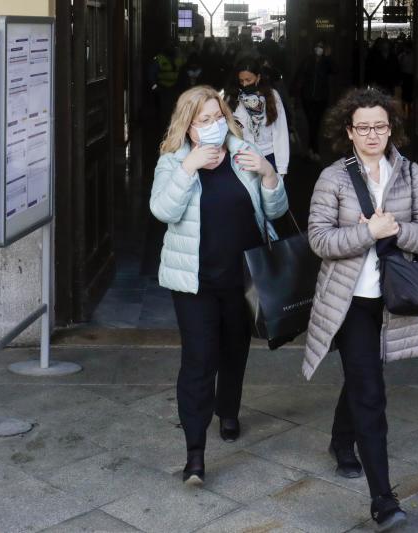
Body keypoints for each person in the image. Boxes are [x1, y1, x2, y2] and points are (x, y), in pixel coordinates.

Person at [303, 88, 418, 530]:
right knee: (370, 391)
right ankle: (383, 499)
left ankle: (342, 440)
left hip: (393, 297)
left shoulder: (410, 173)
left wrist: (393, 230)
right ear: (349, 131)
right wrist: (365, 235)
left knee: (365, 377)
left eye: (380, 125)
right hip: (349, 302)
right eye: (363, 127)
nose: (372, 134)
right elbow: (319, 240)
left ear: (391, 128)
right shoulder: (333, 178)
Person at [150, 85, 288, 485]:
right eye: (203, 120)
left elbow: (276, 211)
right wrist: (188, 167)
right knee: (197, 359)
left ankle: (228, 410)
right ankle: (195, 453)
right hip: (194, 282)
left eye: (217, 118)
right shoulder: (173, 161)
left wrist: (268, 174)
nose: (212, 126)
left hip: (243, 278)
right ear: (188, 126)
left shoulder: (244, 154)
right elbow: (162, 210)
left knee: (234, 351)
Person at [227, 60, 290, 177]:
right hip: (243, 158)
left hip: (269, 157)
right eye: (241, 81)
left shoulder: (272, 96)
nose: (244, 84)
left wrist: (281, 168)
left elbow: (280, 132)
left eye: (248, 80)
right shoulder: (232, 99)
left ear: (258, 77)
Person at [294, 40, 336, 161]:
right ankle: (313, 149)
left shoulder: (326, 62)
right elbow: (299, 76)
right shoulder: (308, 61)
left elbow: (335, 70)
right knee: (312, 122)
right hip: (307, 97)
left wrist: (329, 57)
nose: (319, 49)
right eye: (317, 47)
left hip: (321, 98)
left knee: (315, 123)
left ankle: (311, 149)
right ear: (313, 48)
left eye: (321, 47)